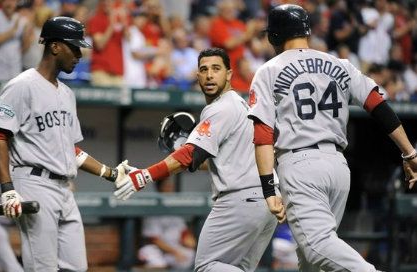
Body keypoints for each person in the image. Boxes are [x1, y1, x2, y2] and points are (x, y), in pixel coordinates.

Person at [248, 4, 417, 272]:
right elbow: (378, 104)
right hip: (338, 168)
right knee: (310, 260)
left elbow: (263, 134)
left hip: (300, 164)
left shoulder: (269, 70)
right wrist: (409, 152)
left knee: (317, 246)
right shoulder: (340, 63)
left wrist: (269, 188)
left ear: (274, 36)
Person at [114, 47, 284, 272]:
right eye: (204, 70)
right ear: (198, 77)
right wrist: (175, 157)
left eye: (216, 69)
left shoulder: (221, 107)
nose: (210, 75)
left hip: (240, 201)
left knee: (206, 266)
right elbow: (212, 160)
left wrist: (144, 176)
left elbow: (189, 156)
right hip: (264, 199)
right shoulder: (238, 104)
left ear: (229, 74)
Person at [0, 16, 123, 271]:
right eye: (74, 47)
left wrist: (111, 173)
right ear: (55, 46)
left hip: (64, 188)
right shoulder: (21, 86)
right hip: (34, 183)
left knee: (76, 267)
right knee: (43, 267)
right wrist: (7, 188)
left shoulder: (66, 93)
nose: (79, 55)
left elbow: (71, 151)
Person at [137, 178, 197, 270]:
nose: (170, 188)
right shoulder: (153, 209)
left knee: (191, 255)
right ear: (160, 189)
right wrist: (175, 252)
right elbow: (154, 240)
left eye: (171, 186)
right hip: (155, 250)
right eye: (167, 186)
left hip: (174, 248)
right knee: (157, 263)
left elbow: (184, 233)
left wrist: (192, 244)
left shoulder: (174, 209)